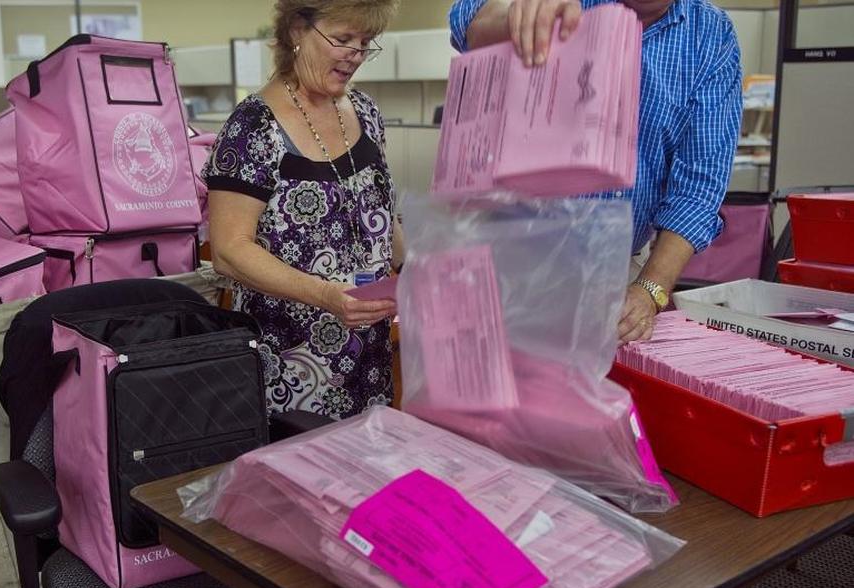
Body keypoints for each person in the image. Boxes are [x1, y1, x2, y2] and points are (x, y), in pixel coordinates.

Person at [450, 0, 742, 344]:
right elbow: (467, 21)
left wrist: (649, 290)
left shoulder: (711, 35)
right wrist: (519, 17)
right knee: (491, 370)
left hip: (616, 271)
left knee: (601, 374)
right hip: (507, 257)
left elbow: (697, 189)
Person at [205, 0, 404, 419]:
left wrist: (415, 269)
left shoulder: (367, 113)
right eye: (343, 38)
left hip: (368, 361)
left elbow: (381, 215)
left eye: (366, 42)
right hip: (289, 369)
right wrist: (325, 295)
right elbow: (228, 250)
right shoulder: (252, 128)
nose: (355, 55)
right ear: (297, 29)